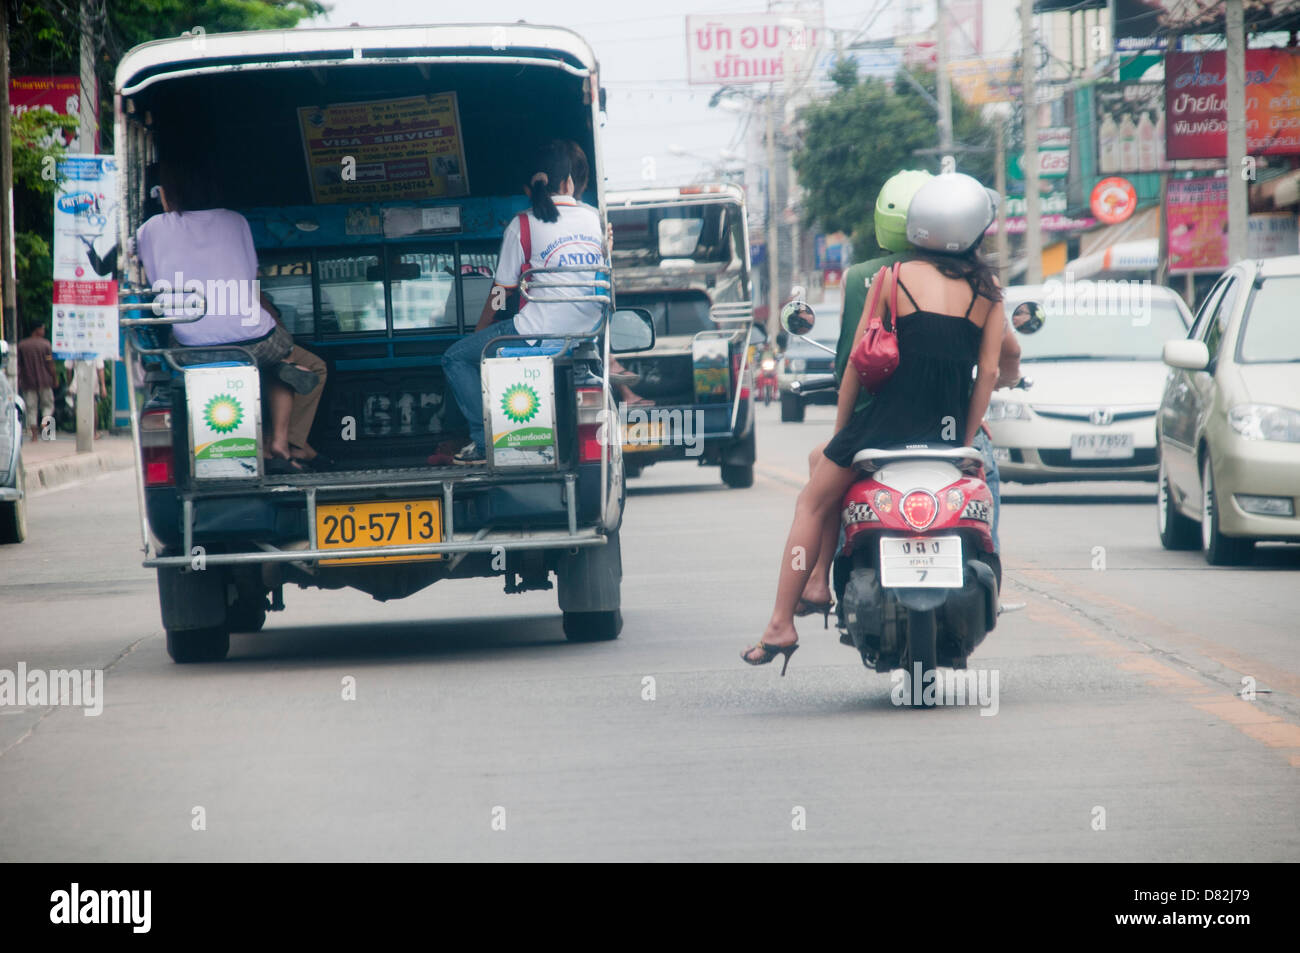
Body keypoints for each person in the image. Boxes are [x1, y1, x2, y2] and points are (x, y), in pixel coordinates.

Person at [744, 172, 1003, 672]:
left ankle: (782, 620)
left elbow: (860, 367)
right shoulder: (989, 293)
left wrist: (845, 434)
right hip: (947, 438)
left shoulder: (891, 279)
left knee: (812, 504)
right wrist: (963, 442)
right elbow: (989, 373)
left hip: (883, 430)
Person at [135, 156, 326, 472]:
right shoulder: (236, 221)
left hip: (190, 350)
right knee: (283, 357)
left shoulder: (151, 229)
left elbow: (140, 268)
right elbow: (248, 277)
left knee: (189, 339)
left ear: (168, 193)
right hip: (257, 342)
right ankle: (279, 441)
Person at [442, 139, 605, 464]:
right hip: (586, 335)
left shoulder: (523, 224)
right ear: (570, 182)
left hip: (537, 334)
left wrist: (479, 335)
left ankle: (484, 443)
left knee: (456, 358)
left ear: (531, 186)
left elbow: (502, 290)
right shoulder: (594, 218)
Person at [17, 322, 56, 441]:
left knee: (31, 408)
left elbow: (19, 365)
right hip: (45, 381)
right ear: (37, 330)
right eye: (43, 329)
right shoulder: (45, 345)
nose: (44, 331)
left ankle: (34, 436)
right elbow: (50, 364)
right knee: (48, 405)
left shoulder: (22, 345)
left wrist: (19, 380)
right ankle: (46, 432)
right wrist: (54, 378)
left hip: (28, 381)